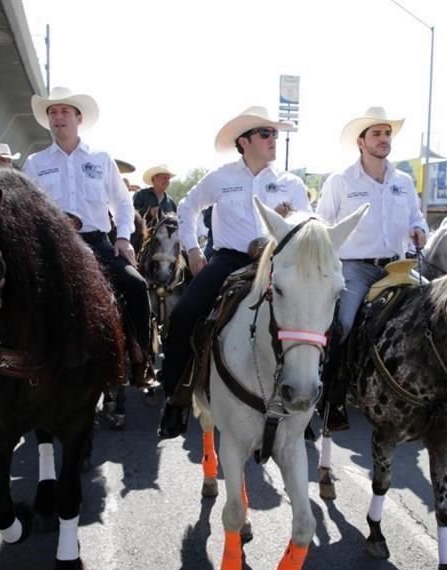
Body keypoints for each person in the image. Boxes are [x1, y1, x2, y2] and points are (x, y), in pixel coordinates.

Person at [158, 106, 308, 438]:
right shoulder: (220, 177)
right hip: (229, 261)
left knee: (315, 320)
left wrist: (290, 219)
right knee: (184, 315)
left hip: (276, 262)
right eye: (266, 134)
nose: (273, 140)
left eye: (275, 134)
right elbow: (187, 208)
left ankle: (309, 407)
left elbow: (308, 227)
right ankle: (175, 399)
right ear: (245, 141)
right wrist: (194, 251)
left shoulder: (291, 183)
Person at [22, 87, 153, 388]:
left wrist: (122, 238)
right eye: (52, 113)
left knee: (136, 285)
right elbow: (26, 210)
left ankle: (140, 359)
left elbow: (122, 202)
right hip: (53, 248)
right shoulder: (35, 163)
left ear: (78, 118)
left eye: (64, 111)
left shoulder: (102, 159)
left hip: (97, 242)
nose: (58, 117)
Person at [314, 106, 428, 431]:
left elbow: (416, 219)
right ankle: (331, 398)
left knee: (438, 310)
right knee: (343, 323)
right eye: (376, 133)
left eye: (387, 133)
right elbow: (322, 224)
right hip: (355, 268)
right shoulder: (340, 180)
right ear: (361, 142)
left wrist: (420, 230)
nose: (383, 138)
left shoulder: (403, 181)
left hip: (399, 266)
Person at [134, 164, 177, 230]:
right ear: (154, 179)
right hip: (140, 236)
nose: (167, 181)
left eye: (168, 179)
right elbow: (131, 213)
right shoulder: (141, 195)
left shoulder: (171, 202)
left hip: (165, 239)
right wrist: (148, 212)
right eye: (164, 178)